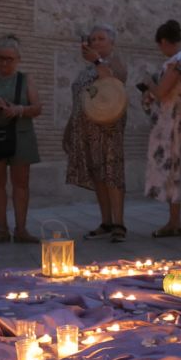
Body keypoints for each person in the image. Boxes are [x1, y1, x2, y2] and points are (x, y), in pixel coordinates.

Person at [63, 24, 129, 241]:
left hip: (109, 129)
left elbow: (113, 81)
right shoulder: (86, 70)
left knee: (112, 174)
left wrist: (97, 60)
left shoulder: (114, 63)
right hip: (86, 130)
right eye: (92, 39)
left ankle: (119, 223)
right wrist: (70, 127)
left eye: (101, 39)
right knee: (98, 175)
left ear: (112, 42)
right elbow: (80, 99)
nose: (96, 43)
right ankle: (106, 221)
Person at [143, 20, 181, 237]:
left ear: (164, 42)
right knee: (174, 171)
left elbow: (162, 91)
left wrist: (149, 84)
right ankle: (174, 221)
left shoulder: (179, 60)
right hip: (176, 120)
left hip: (180, 121)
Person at [0, 34, 42, 243]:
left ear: (18, 60)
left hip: (21, 136)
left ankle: (21, 229)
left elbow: (37, 108)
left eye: (9, 59)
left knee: (21, 184)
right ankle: (1, 229)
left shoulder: (25, 79)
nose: (4, 62)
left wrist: (19, 110)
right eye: (0, 58)